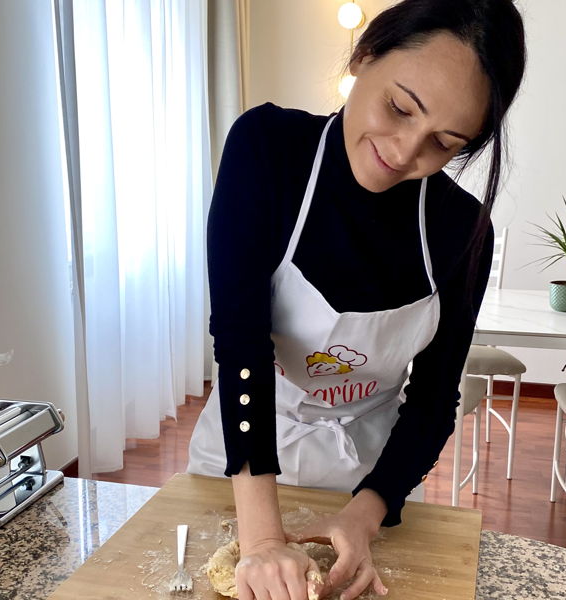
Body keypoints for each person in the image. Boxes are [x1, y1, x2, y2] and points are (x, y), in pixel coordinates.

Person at [188, 1, 526, 598]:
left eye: (444, 143)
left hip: (373, 472)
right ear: (364, 55)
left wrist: (363, 514)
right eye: (399, 107)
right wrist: (263, 540)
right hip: (246, 454)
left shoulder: (460, 230)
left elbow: (431, 400)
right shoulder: (267, 150)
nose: (403, 152)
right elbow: (239, 342)